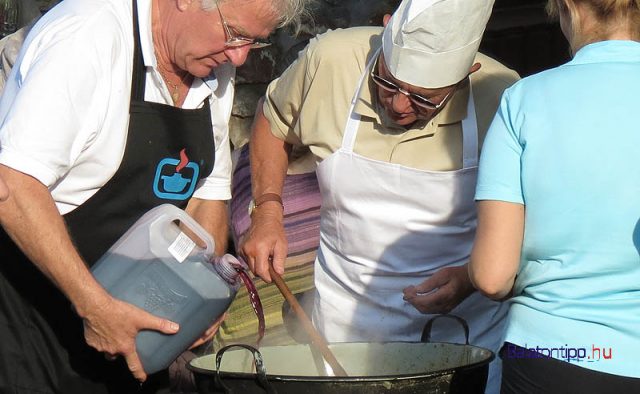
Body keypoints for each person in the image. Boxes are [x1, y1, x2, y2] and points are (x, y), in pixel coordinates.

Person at [0, 0, 307, 392]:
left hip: (135, 336)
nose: (240, 55)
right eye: (234, 34)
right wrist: (96, 307)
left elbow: (206, 193)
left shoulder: (213, 63)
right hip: (33, 332)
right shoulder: (87, 36)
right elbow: (14, 186)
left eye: (254, 42)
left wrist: (202, 294)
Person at [241, 0, 519, 392]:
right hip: (344, 332)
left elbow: (532, 221)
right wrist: (267, 209)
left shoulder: (504, 95)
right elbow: (273, 123)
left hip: (463, 337)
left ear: (466, 76)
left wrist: (471, 279)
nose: (399, 105)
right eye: (387, 82)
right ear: (385, 28)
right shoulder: (331, 61)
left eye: (424, 98)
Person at [468, 0, 640, 392]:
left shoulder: (524, 99)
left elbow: (493, 276)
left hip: (549, 355)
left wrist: (468, 275)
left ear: (568, 7)